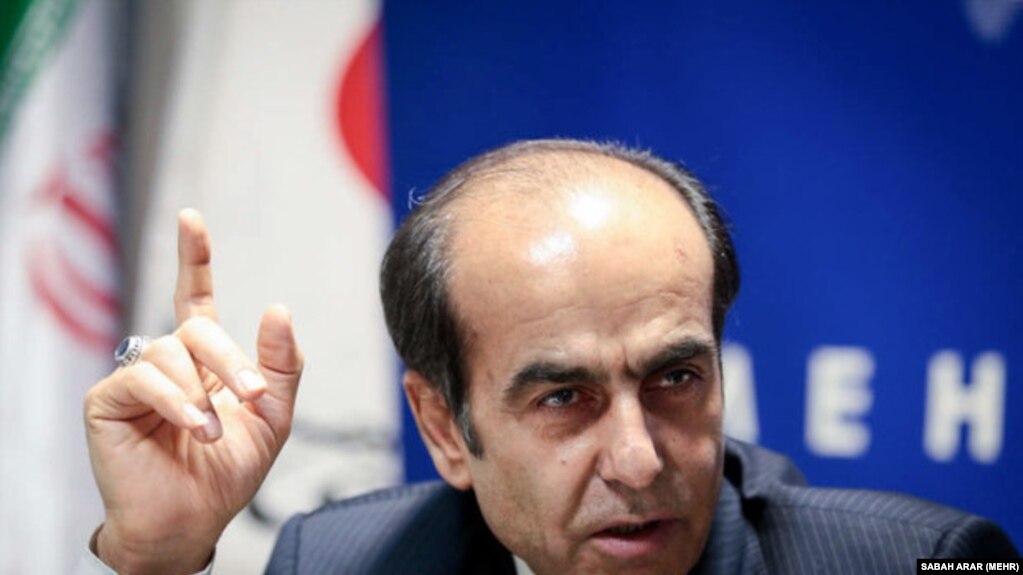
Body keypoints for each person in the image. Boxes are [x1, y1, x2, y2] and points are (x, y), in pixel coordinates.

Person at [80, 139, 1018, 575]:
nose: (640, 460)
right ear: (444, 427)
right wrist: (155, 561)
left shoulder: (920, 563)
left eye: (675, 377)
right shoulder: (342, 563)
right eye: (564, 396)